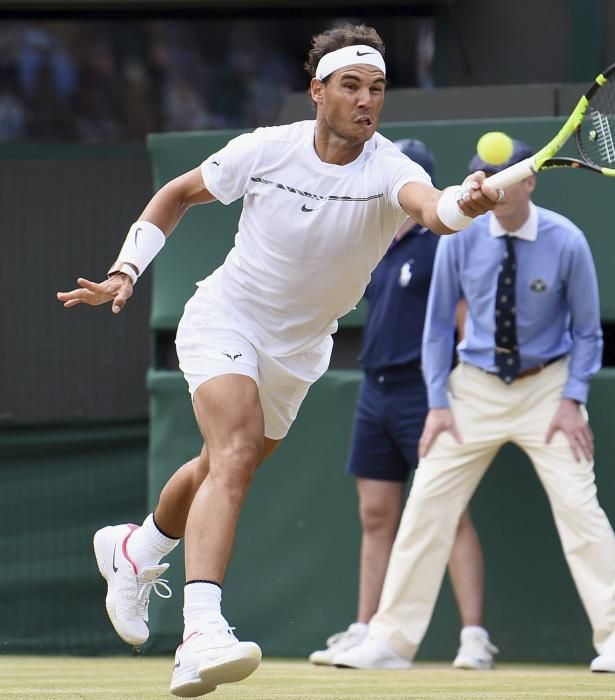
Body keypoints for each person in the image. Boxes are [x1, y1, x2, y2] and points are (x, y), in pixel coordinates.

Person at [55, 24, 501, 698]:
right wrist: (126, 269)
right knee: (231, 453)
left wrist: (462, 203)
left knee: (216, 467)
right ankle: (200, 631)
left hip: (299, 352)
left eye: (376, 89)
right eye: (350, 86)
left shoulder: (390, 169)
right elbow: (177, 193)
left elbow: (432, 210)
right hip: (226, 318)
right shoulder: (267, 150)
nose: (365, 101)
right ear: (316, 91)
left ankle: (136, 550)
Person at [334, 139, 615, 673]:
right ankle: (391, 640)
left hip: (547, 390)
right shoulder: (459, 238)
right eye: (480, 176)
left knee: (579, 508)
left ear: (530, 182)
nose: (490, 186)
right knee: (427, 505)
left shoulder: (566, 241)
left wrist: (573, 399)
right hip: (473, 389)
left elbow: (589, 333)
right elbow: (437, 328)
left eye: (503, 176)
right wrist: (438, 403)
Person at [308, 139, 496, 671]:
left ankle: (474, 638)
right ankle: (367, 628)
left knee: (448, 513)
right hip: (376, 390)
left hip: (428, 392)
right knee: (375, 515)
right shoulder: (375, 247)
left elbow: (463, 320)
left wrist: (458, 393)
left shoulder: (444, 243)